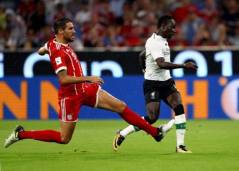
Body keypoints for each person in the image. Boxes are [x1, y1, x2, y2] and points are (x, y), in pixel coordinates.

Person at [4, 17, 165, 149]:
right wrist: (88, 78)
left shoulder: (53, 44)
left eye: (73, 28)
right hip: (70, 97)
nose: (74, 31)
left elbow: (42, 49)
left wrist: (43, 50)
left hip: (85, 90)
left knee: (121, 106)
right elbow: (63, 79)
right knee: (64, 138)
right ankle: (21, 134)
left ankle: (154, 133)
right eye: (70, 28)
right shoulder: (58, 51)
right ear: (60, 31)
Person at [113, 15, 197, 153]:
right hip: (152, 84)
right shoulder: (154, 42)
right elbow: (161, 64)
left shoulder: (162, 40)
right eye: (172, 27)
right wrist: (184, 65)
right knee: (152, 118)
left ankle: (180, 146)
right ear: (163, 27)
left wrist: (144, 69)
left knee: (179, 108)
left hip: (167, 82)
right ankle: (123, 133)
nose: (174, 30)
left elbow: (142, 55)